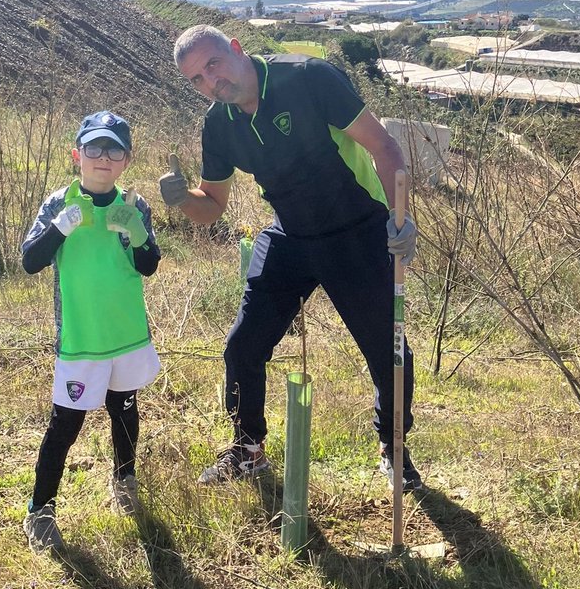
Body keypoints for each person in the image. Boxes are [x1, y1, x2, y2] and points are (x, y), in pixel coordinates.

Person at [160, 26, 421, 490]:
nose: (210, 83)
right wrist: (182, 199)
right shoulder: (219, 125)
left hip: (356, 229)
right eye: (196, 79)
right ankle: (248, 449)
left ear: (236, 49)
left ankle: (393, 448)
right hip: (291, 234)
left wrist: (399, 220)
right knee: (243, 346)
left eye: (213, 65)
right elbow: (212, 207)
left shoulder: (307, 77)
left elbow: (384, 146)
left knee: (389, 349)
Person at [20, 110, 161, 553]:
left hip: (126, 334)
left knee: (125, 408)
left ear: (126, 159)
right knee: (66, 423)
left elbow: (149, 265)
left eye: (114, 150)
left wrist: (137, 232)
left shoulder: (134, 204)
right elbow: (29, 261)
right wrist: (63, 226)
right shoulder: (59, 202)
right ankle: (39, 512)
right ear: (77, 154)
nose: (104, 158)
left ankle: (123, 480)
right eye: (95, 148)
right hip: (81, 337)